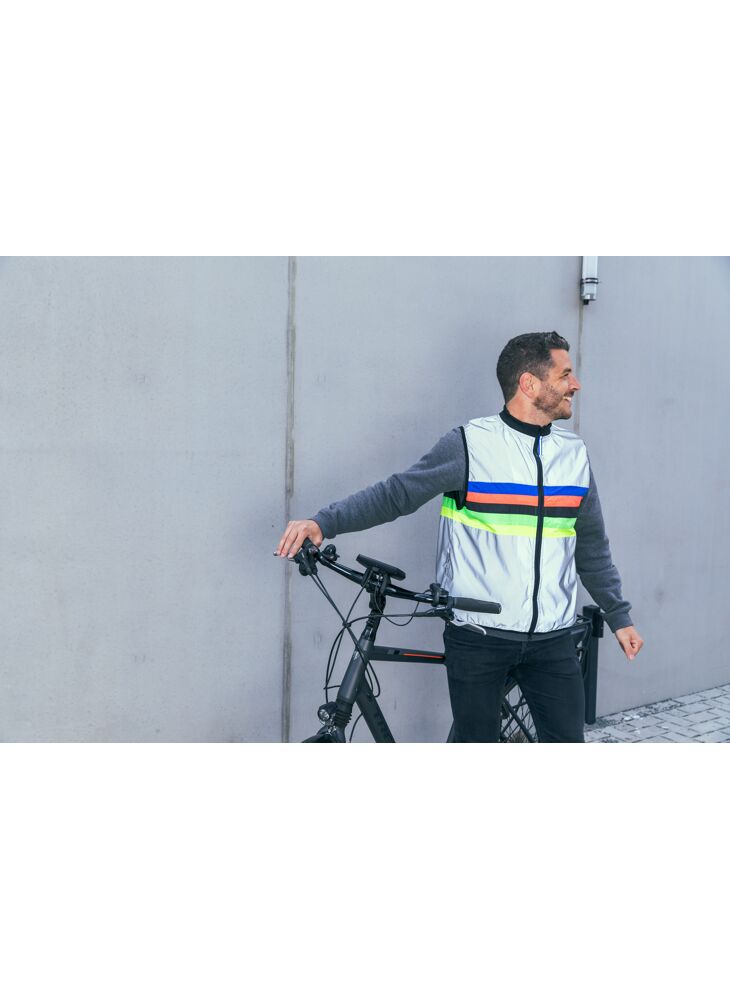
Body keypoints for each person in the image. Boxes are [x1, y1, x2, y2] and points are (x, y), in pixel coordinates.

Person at [275, 331, 643, 742]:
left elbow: (591, 545)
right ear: (529, 383)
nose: (575, 384)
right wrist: (323, 523)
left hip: (553, 641)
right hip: (479, 638)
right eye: (565, 374)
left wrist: (618, 616)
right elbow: (398, 494)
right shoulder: (470, 445)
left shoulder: (573, 454)